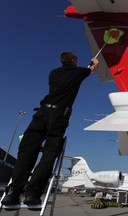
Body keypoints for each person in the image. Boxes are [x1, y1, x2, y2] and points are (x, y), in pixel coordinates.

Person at [2, 51, 99, 206]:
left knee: (26, 152)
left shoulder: (53, 73)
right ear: (73, 60)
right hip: (58, 116)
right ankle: (32, 194)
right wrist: (94, 62)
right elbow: (93, 68)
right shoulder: (78, 72)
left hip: (41, 114)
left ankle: (13, 192)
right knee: (49, 153)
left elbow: (75, 75)